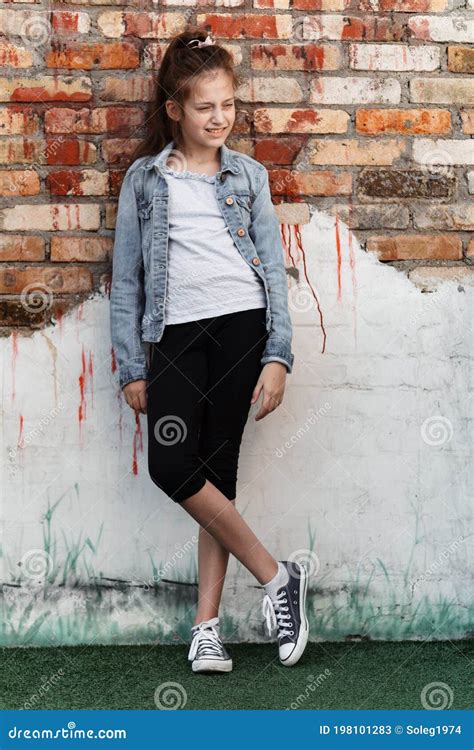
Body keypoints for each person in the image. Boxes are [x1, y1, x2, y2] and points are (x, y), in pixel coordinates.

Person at [110, 28, 308, 673]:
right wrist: (132, 368)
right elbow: (129, 279)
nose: (219, 117)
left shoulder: (247, 176)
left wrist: (277, 355)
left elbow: (273, 271)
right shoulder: (144, 181)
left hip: (242, 329)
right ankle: (278, 576)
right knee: (173, 467)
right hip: (175, 334)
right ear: (175, 109)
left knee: (216, 475)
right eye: (205, 106)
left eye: (228, 104)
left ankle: (207, 627)